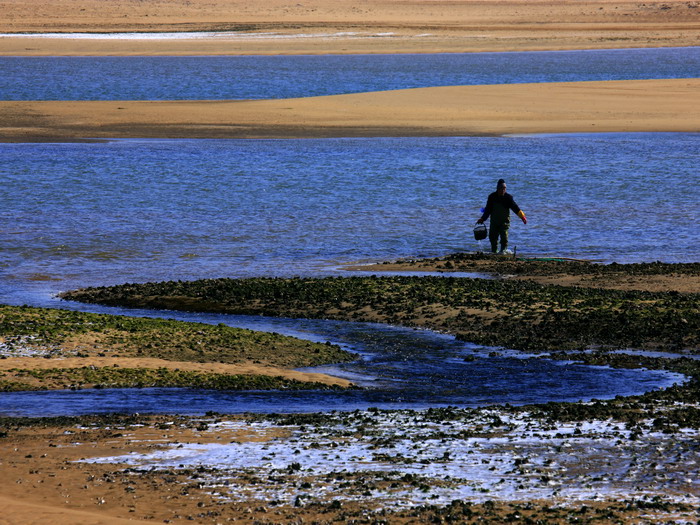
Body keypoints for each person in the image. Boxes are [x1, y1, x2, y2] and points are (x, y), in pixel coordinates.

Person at [477, 178, 527, 254]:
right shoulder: (492, 197)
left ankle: (503, 252)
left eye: (504, 188)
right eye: (501, 188)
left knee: (504, 238)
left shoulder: (508, 198)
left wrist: (523, 217)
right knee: (492, 238)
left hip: (504, 222)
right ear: (497, 188)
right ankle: (494, 252)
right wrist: (482, 219)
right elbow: (488, 210)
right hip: (494, 222)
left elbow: (516, 208)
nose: (503, 190)